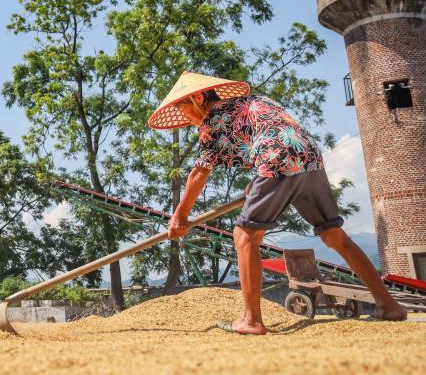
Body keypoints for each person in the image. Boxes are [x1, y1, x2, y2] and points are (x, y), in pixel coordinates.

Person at [148, 71, 407, 334]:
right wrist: (257, 182)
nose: (186, 118)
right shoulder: (256, 102)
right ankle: (388, 305)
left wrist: (180, 215)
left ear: (198, 98)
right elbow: (271, 133)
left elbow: (200, 171)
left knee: (245, 235)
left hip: (277, 158)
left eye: (183, 110)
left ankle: (251, 320)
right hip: (309, 158)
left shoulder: (212, 121)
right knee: (333, 235)